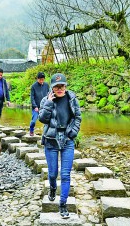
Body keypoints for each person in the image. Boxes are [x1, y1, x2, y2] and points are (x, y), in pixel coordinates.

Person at [38, 73, 81, 219]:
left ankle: (63, 205)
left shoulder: (72, 98)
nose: (60, 88)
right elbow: (42, 119)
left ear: (65, 86)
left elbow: (78, 117)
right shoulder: (46, 100)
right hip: (51, 139)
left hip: (67, 139)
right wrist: (49, 103)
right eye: (57, 86)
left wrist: (73, 133)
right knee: (52, 173)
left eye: (62, 86)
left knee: (65, 174)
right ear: (52, 88)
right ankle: (52, 188)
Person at [29, 72, 49, 136]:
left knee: (48, 121)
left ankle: (46, 133)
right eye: (40, 79)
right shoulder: (33, 86)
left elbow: (49, 95)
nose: (41, 81)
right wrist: (35, 106)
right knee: (33, 121)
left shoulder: (46, 85)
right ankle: (31, 130)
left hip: (45, 107)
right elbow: (32, 98)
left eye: (43, 79)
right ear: (37, 79)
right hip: (36, 107)